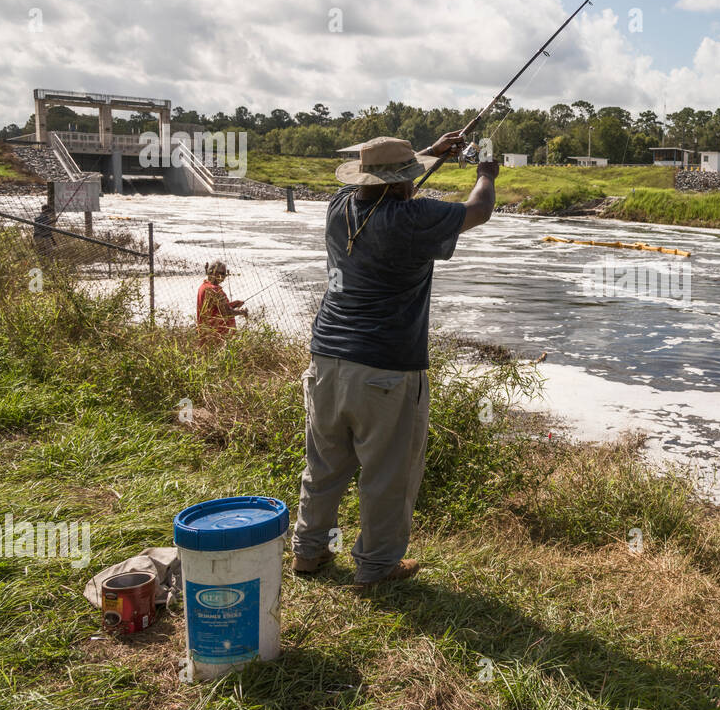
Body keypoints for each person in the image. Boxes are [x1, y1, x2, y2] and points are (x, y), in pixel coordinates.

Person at [291, 132, 498, 589]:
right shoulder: (412, 218)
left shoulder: (338, 207)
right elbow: (479, 210)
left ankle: (308, 550)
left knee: (325, 462)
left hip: (326, 358)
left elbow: (384, 184)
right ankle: (378, 565)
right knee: (387, 472)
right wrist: (485, 171)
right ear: (404, 184)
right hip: (385, 367)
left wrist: (427, 155)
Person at [196, 260, 246, 339]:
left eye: (225, 274)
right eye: (222, 273)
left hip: (206, 331)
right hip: (217, 334)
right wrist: (242, 312)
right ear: (213, 272)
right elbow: (226, 312)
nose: (224, 276)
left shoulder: (204, 286)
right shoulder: (214, 290)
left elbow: (215, 308)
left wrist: (234, 304)